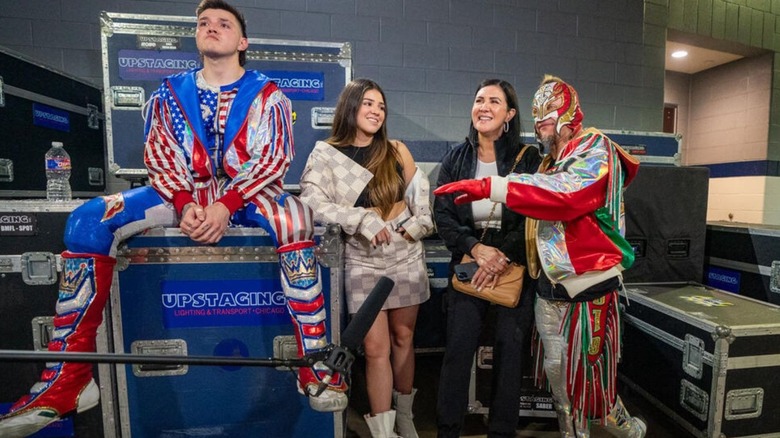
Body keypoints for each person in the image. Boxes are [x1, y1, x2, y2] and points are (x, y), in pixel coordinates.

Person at [0, 1, 346, 436]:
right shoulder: (169, 91)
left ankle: (313, 363)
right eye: (204, 22)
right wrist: (185, 203)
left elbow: (270, 158)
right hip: (182, 193)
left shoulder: (268, 94)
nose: (211, 28)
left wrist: (225, 204)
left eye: (224, 23)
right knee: (87, 221)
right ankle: (68, 379)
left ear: (242, 42)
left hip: (251, 193)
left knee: (296, 216)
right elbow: (161, 153)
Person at [434, 75, 646, 438]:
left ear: (568, 114)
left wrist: (492, 187)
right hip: (548, 286)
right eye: (538, 119)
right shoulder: (546, 160)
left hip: (587, 290)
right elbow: (451, 214)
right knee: (559, 379)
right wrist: (475, 248)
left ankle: (613, 418)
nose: (541, 125)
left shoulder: (595, 147)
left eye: (548, 116)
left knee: (585, 380)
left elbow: (563, 194)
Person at [300, 78, 434, 438]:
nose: (376, 111)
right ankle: (383, 429)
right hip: (362, 257)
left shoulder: (395, 150)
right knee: (376, 348)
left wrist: (419, 225)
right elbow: (313, 204)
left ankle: (405, 417)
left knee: (404, 337)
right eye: (368, 104)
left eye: (381, 106)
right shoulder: (325, 153)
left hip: (405, 254)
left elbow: (420, 198)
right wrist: (361, 218)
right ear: (351, 107)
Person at [433, 78, 541, 438]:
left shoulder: (529, 159)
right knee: (457, 354)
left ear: (509, 113)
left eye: (495, 101)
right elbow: (443, 215)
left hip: (513, 264)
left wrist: (501, 257)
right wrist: (476, 250)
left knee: (510, 355)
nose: (484, 107)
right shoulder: (456, 157)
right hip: (469, 257)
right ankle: (448, 430)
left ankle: (501, 431)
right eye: (479, 99)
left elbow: (533, 214)